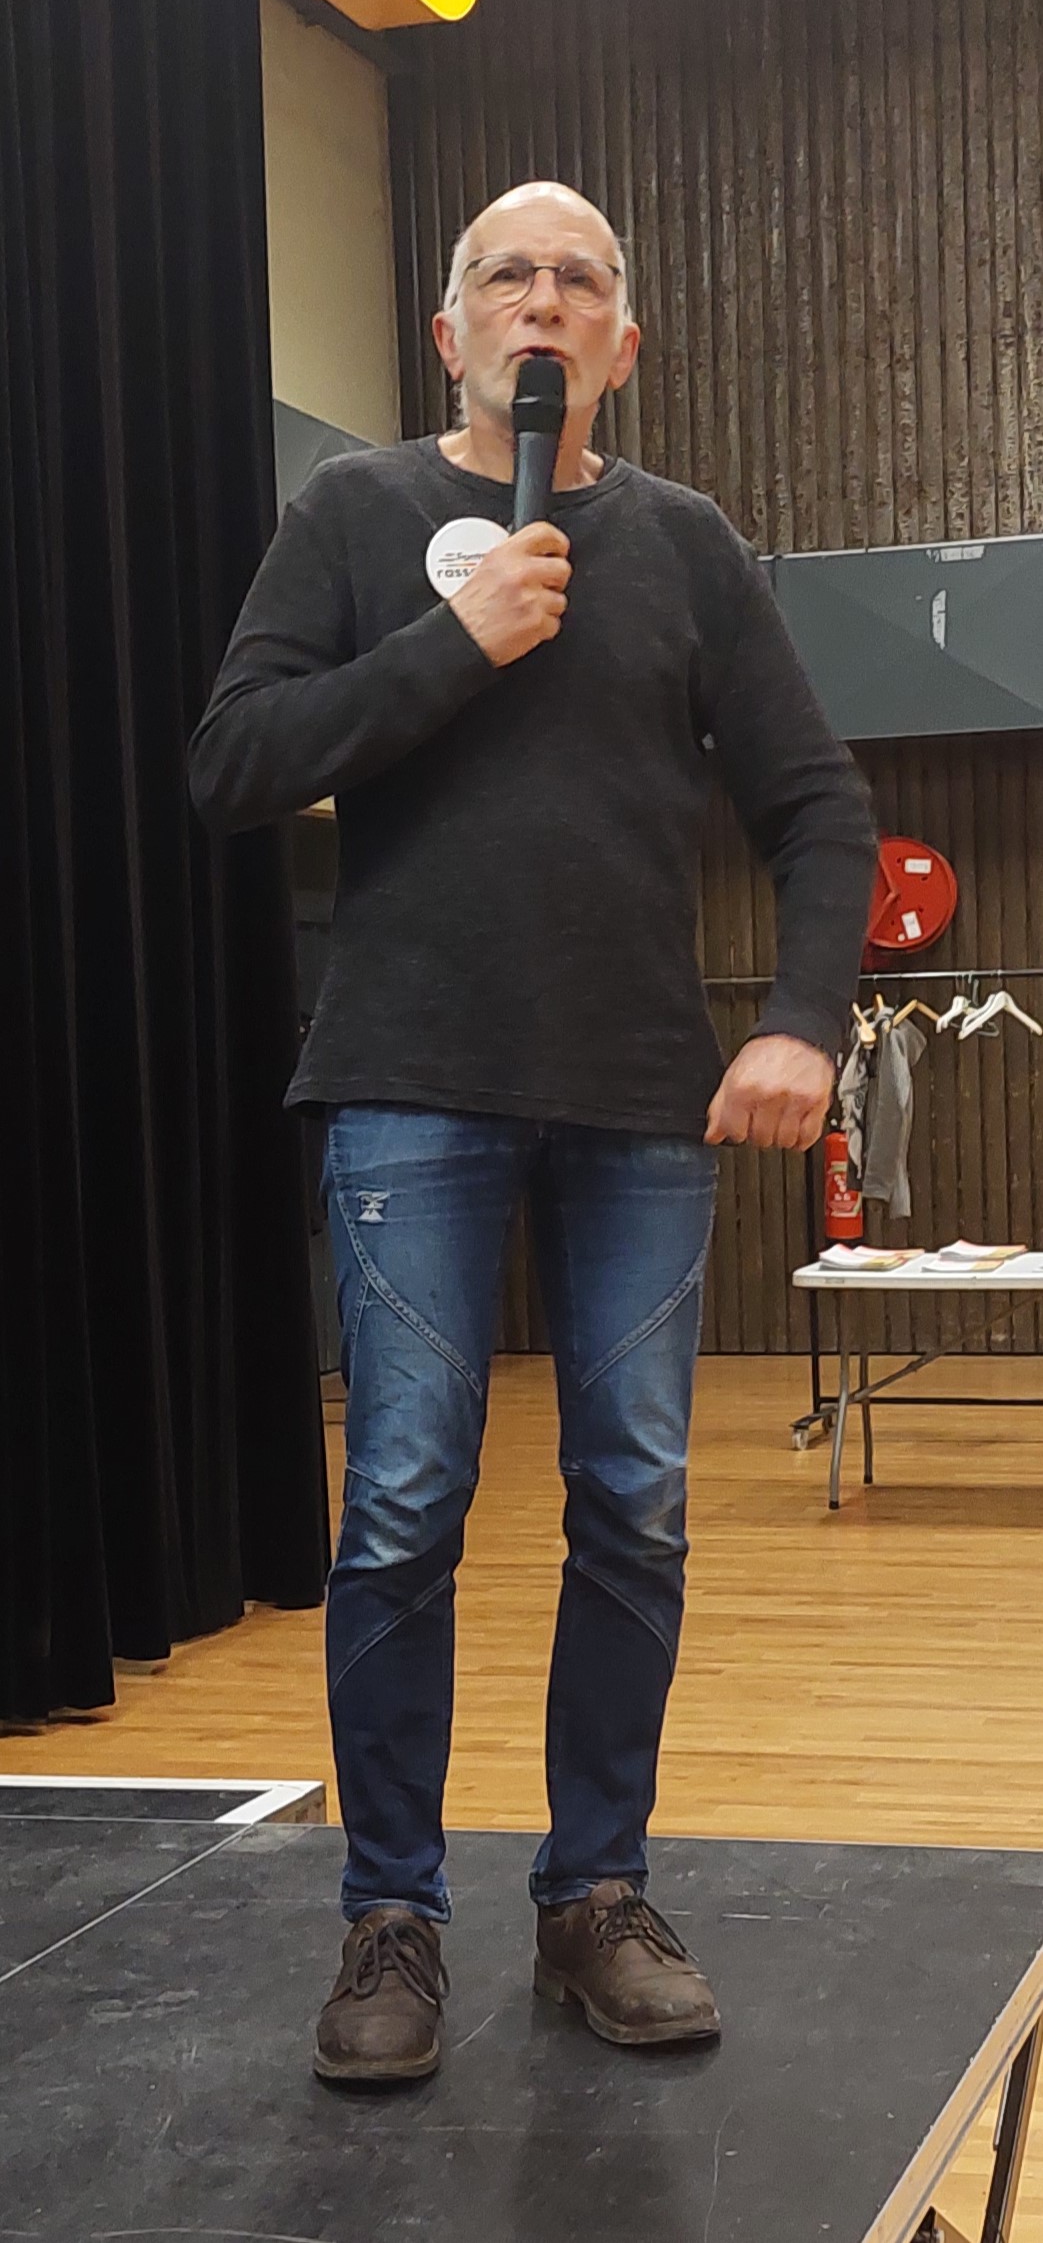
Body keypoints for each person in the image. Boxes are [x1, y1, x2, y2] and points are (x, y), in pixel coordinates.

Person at [189, 180, 876, 2086]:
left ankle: (594, 1895)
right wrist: (456, 638)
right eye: (508, 275)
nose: (543, 301)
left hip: (638, 1097)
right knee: (405, 1501)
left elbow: (821, 808)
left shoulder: (688, 542)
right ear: (451, 333)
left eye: (580, 280)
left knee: (634, 1499)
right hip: (409, 1077)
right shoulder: (352, 515)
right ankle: (389, 1917)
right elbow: (234, 762)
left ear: (623, 345)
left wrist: (804, 1021)